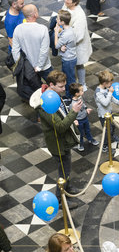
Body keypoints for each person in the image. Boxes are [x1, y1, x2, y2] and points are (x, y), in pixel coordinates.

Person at [29, 71, 82, 200]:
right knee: (63, 172)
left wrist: (70, 119)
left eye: (64, 86)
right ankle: (60, 199)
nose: (64, 89)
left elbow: (62, 115)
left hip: (63, 141)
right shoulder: (46, 104)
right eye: (61, 86)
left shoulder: (53, 95)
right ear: (51, 84)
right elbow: (60, 127)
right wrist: (73, 113)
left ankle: (68, 188)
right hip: (58, 144)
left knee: (67, 169)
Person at [12, 4, 52, 82]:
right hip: (44, 66)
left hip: (28, 67)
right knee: (54, 85)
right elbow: (44, 50)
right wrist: (39, 67)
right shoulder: (42, 29)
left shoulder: (18, 29)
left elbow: (15, 50)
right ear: (35, 14)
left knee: (34, 89)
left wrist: (21, 66)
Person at [63, 0, 93, 90]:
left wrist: (65, 42)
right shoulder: (66, 6)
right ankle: (69, 84)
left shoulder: (80, 16)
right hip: (68, 43)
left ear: (74, 2)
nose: (65, 0)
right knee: (70, 66)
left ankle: (82, 84)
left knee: (79, 65)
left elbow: (78, 35)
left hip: (77, 45)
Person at [95, 70, 119, 153]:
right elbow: (105, 103)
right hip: (104, 115)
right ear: (104, 83)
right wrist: (110, 92)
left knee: (112, 127)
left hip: (109, 113)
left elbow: (111, 98)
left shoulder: (106, 88)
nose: (111, 85)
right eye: (109, 83)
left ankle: (112, 136)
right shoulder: (98, 93)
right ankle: (104, 146)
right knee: (107, 131)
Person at [69, 83, 99, 152]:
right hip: (79, 121)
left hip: (85, 118)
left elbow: (83, 104)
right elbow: (71, 114)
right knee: (80, 133)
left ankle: (90, 139)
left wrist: (86, 109)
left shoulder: (80, 98)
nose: (83, 91)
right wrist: (74, 120)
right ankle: (80, 143)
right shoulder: (73, 104)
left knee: (88, 130)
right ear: (76, 93)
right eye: (81, 90)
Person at [55, 10, 77, 99]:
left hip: (68, 60)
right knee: (67, 77)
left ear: (62, 22)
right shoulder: (69, 29)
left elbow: (56, 45)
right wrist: (62, 46)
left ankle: (71, 96)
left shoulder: (67, 34)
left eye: (57, 18)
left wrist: (56, 34)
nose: (56, 20)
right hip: (69, 57)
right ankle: (69, 95)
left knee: (70, 80)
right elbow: (64, 35)